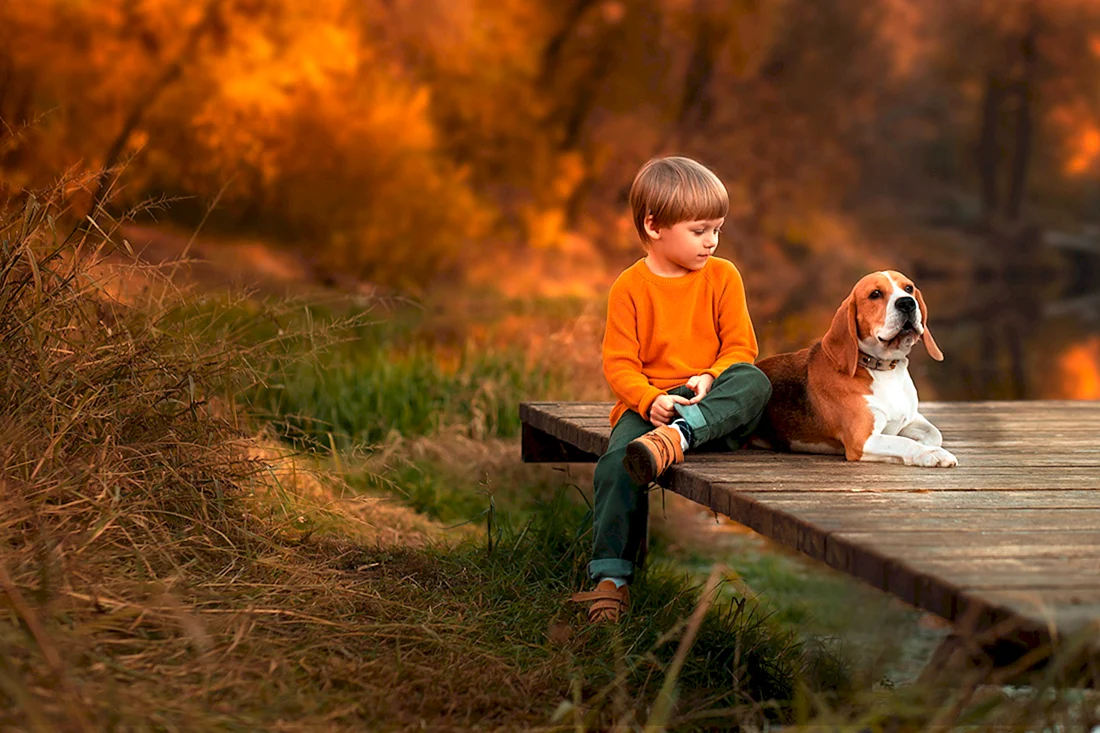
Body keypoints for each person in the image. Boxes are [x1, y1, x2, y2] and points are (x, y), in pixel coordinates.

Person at [570, 156, 773, 624]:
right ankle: (611, 580)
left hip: (709, 401)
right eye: (700, 230)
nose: (712, 241)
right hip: (652, 407)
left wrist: (712, 374)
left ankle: (679, 438)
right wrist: (650, 400)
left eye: (717, 229)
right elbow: (620, 364)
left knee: (755, 381)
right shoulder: (630, 288)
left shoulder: (724, 276)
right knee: (617, 465)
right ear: (654, 225)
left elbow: (741, 347)